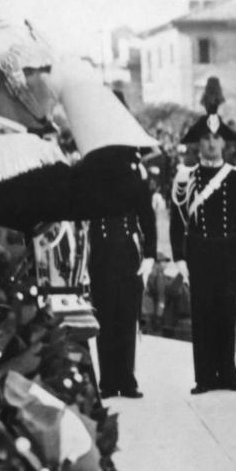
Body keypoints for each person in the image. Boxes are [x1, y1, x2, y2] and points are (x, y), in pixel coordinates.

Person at [170, 78, 236, 395]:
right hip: (200, 251)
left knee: (226, 312)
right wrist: (180, 258)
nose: (210, 144)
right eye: (205, 139)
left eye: (216, 139)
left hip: (229, 250)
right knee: (203, 314)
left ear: (224, 144)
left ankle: (228, 374)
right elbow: (178, 222)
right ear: (197, 143)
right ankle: (205, 376)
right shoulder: (186, 177)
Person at [88, 156, 156, 399]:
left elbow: (147, 217)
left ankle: (127, 380)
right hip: (100, 253)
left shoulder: (134, 179)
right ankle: (107, 382)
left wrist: (150, 254)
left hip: (127, 252)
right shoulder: (90, 176)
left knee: (127, 317)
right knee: (104, 317)